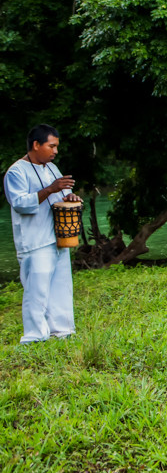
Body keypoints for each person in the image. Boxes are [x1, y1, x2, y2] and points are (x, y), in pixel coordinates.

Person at [3, 125, 81, 343]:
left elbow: (63, 194)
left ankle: (63, 331)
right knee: (36, 290)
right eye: (51, 146)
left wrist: (70, 197)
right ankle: (35, 335)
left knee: (61, 285)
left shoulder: (52, 168)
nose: (55, 151)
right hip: (34, 240)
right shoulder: (16, 172)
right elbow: (20, 203)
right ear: (36, 145)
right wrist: (50, 189)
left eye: (56, 146)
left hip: (58, 237)